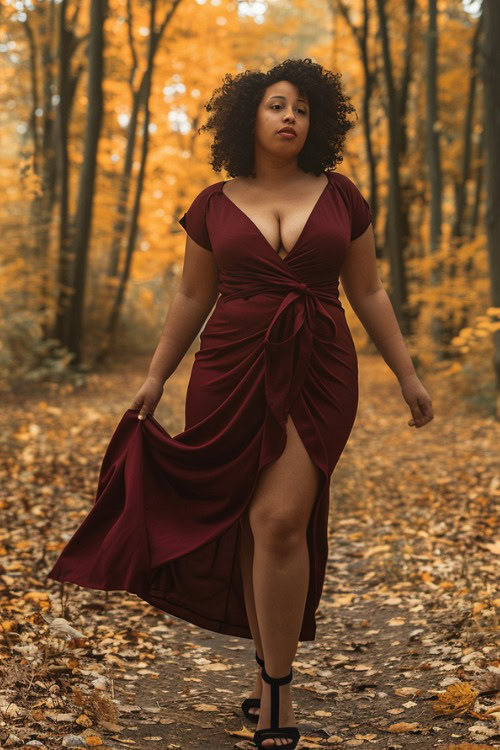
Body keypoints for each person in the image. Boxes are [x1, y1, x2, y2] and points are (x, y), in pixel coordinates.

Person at [47, 58, 434, 749]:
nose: (291, 117)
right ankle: (265, 673)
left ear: (317, 123)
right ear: (248, 117)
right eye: (277, 106)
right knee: (255, 526)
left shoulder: (342, 197)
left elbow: (368, 292)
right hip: (228, 369)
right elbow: (192, 297)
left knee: (281, 518)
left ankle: (279, 692)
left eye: (304, 109)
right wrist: (156, 377)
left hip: (319, 364)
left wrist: (407, 374)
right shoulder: (214, 204)